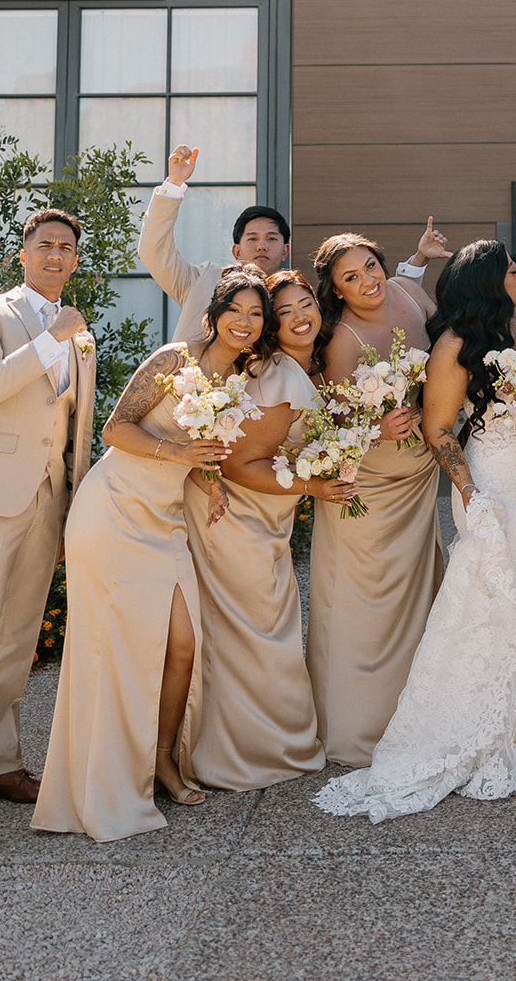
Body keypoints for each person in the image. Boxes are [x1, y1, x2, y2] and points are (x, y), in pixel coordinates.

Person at [315, 240, 516, 821]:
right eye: (514, 271)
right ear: (490, 279)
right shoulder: (454, 345)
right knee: (495, 603)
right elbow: (440, 430)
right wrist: (472, 495)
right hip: (488, 483)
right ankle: (475, 731)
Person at [32, 268, 288, 841]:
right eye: (237, 311)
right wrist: (177, 450)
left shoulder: (238, 382)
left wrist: (210, 481)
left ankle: (163, 757)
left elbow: (199, 454)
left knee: (182, 643)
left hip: (165, 519)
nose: (246, 324)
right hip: (114, 509)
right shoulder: (176, 360)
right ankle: (106, 777)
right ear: (216, 313)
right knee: (112, 647)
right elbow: (115, 430)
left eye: (256, 315)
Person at [0, 210, 96, 854]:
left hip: (47, 501)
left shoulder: (79, 332)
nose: (57, 256)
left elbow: (74, 427)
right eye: (46, 246)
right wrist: (49, 340)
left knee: (14, 642)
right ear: (23, 254)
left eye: (67, 248)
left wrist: (75, 507)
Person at [181, 269, 343, 791]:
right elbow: (237, 464)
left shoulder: (292, 372)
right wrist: (314, 487)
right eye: (286, 311)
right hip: (238, 516)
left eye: (307, 306)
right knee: (255, 633)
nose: (300, 318)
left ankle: (250, 744)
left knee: (259, 630)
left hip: (266, 515)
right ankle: (249, 753)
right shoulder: (281, 377)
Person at [306, 223, 449, 766]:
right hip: (367, 480)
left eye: (371, 266)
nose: (367, 281)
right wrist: (374, 429)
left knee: (419, 596)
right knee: (366, 604)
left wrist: (418, 260)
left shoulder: (408, 294)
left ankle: (418, 713)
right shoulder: (341, 338)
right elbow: (330, 423)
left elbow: (447, 336)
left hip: (416, 472)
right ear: (335, 290)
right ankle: (357, 726)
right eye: (351, 276)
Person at [138, 143, 292, 345]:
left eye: (271, 239)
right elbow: (153, 251)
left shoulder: (293, 300)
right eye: (252, 239)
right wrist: (174, 183)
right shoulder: (204, 281)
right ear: (236, 251)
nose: (262, 246)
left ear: (285, 251)